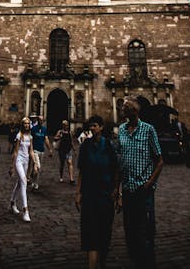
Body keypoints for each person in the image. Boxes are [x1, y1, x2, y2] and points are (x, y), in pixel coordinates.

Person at [117, 97, 163, 269]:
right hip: (128, 188)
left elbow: (159, 160)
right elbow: (119, 160)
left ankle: (148, 260)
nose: (123, 112)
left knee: (146, 228)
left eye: (125, 109)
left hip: (144, 189)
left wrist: (149, 183)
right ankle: (136, 258)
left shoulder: (148, 130)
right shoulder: (121, 130)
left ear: (134, 112)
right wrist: (117, 188)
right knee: (130, 227)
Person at [75, 115, 118, 269]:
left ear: (101, 127)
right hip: (89, 194)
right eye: (91, 126)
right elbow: (81, 170)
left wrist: (116, 191)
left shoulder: (109, 145)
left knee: (105, 230)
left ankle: (103, 260)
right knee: (90, 230)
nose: (92, 128)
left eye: (94, 126)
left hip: (105, 195)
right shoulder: (85, 145)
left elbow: (116, 169)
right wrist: (78, 192)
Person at [9, 116, 35, 222]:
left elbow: (31, 151)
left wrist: (36, 163)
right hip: (19, 161)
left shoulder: (30, 137)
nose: (27, 125)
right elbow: (15, 151)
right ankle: (25, 211)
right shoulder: (19, 136)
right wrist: (12, 166)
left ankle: (12, 202)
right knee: (24, 182)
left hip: (26, 161)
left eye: (28, 123)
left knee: (20, 183)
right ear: (22, 125)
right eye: (25, 123)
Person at [30, 114, 53, 191]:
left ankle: (35, 182)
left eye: (42, 120)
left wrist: (49, 149)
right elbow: (31, 139)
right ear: (37, 120)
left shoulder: (44, 129)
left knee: (37, 168)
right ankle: (34, 180)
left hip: (42, 150)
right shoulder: (33, 129)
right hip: (35, 150)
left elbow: (46, 139)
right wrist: (30, 149)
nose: (41, 121)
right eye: (39, 120)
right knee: (38, 166)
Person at [54, 119, 76, 183]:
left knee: (70, 163)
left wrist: (74, 149)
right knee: (62, 164)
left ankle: (71, 178)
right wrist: (59, 137)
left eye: (67, 125)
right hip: (62, 150)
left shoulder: (70, 132)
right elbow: (55, 138)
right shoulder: (60, 132)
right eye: (65, 125)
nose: (66, 126)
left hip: (68, 149)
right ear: (62, 126)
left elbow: (71, 141)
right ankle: (61, 177)